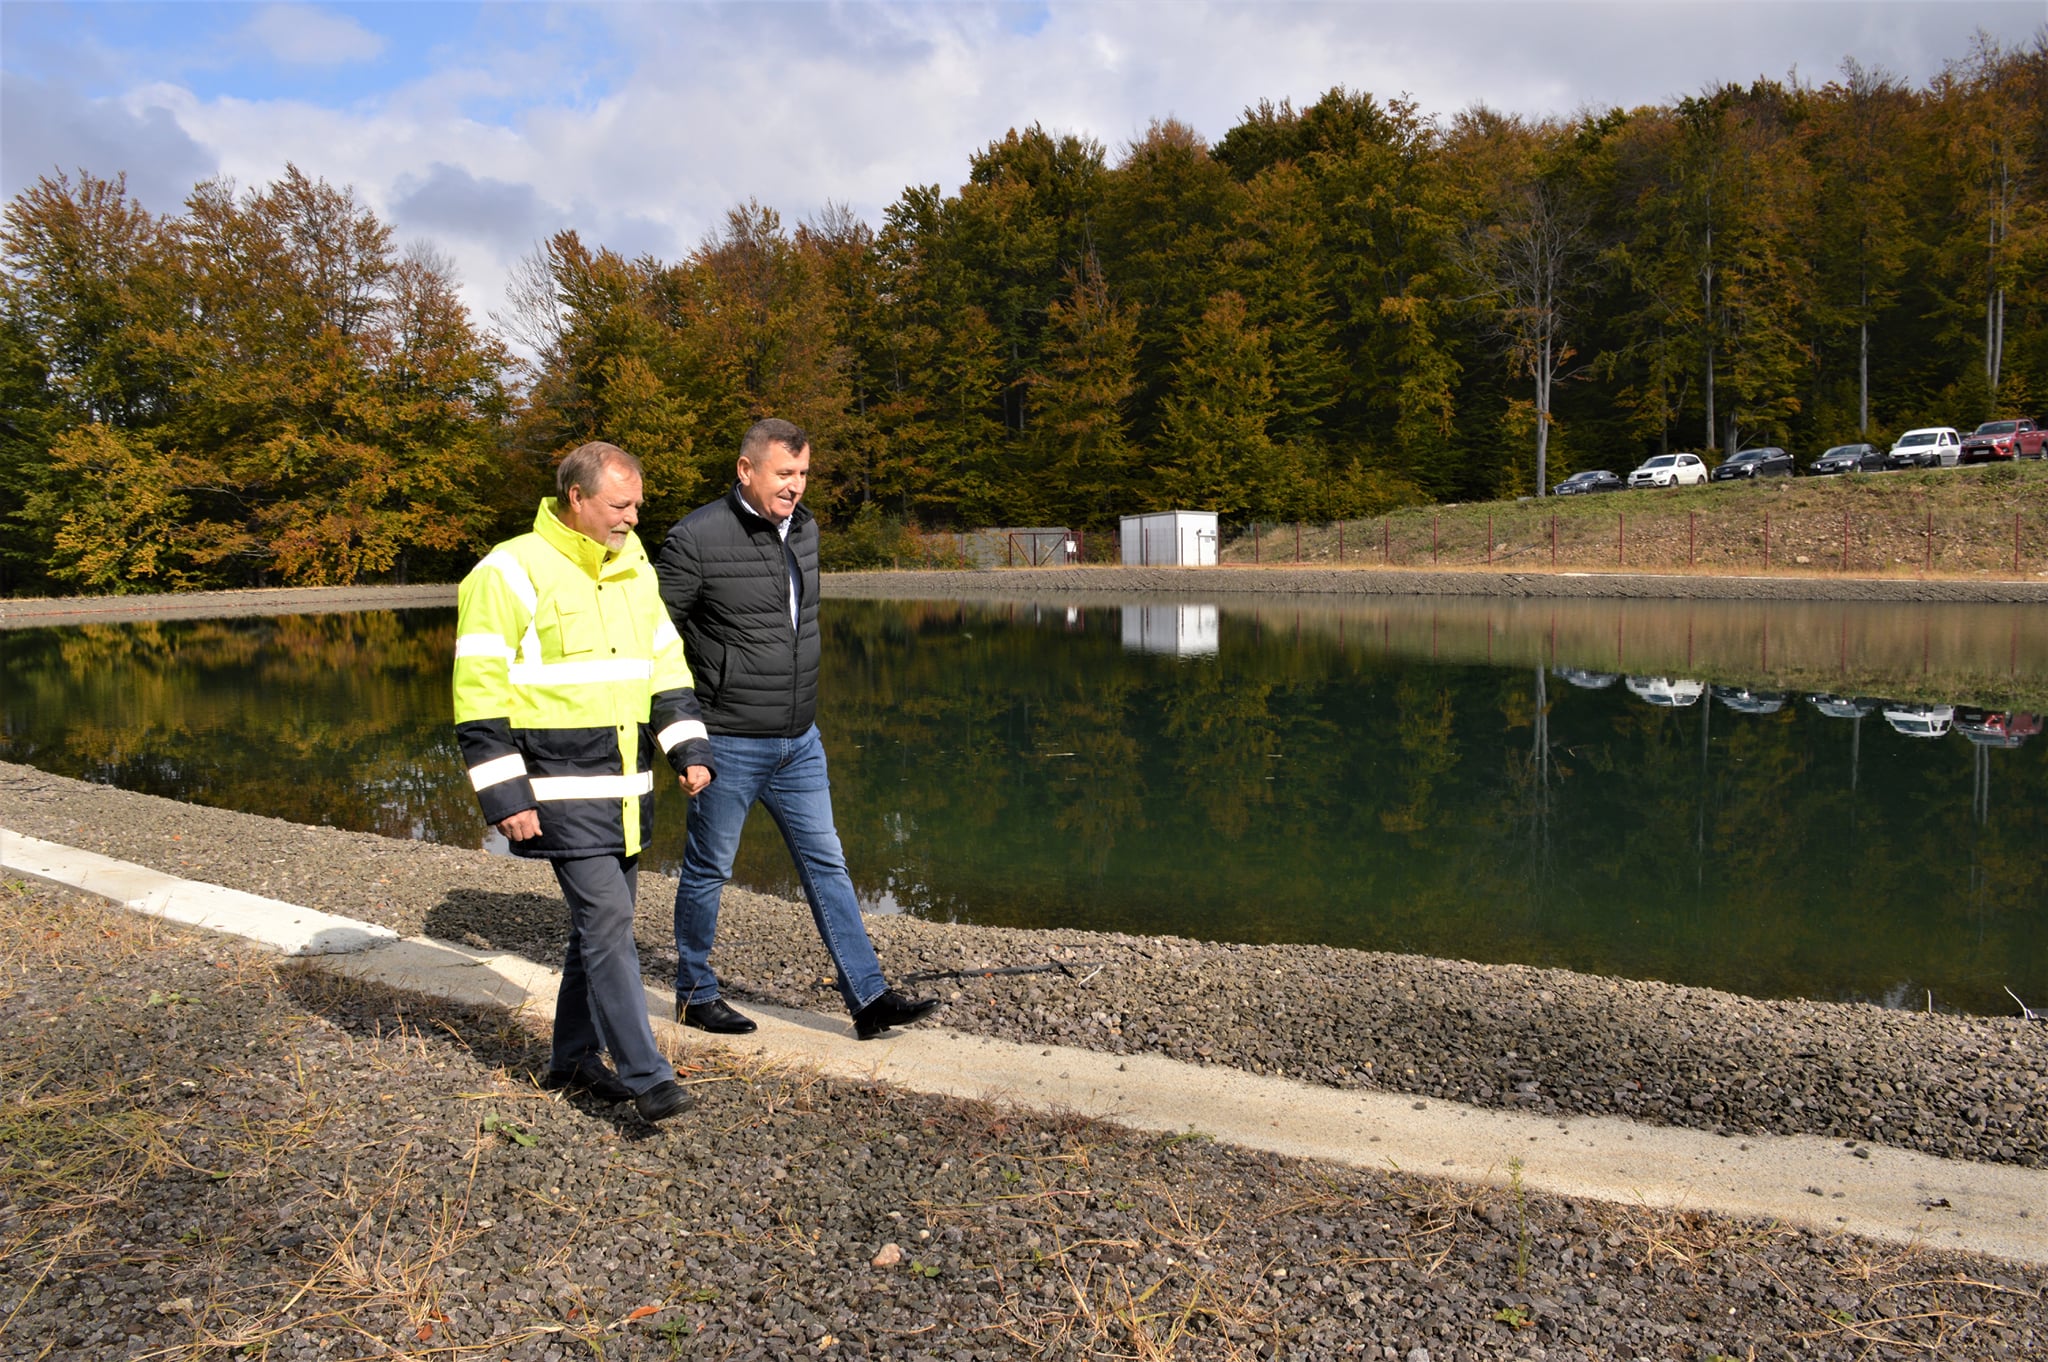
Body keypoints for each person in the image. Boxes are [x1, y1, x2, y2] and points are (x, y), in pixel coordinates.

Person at [452, 441, 712, 1123]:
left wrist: (687, 748)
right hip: (557, 789)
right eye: (619, 505)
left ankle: (570, 1060)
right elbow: (478, 692)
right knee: (608, 921)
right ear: (577, 499)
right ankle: (648, 1075)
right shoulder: (508, 571)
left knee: (592, 930)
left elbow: (666, 667)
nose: (632, 517)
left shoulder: (636, 568)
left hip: (625, 789)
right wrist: (505, 795)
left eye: (637, 506)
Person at [656, 418, 939, 1040]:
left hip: (799, 740)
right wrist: (682, 739)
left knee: (828, 864)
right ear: (745, 469)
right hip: (726, 739)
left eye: (803, 474)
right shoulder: (694, 538)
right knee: (709, 870)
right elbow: (651, 645)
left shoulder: (805, 529)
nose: (795, 487)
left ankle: (868, 999)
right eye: (784, 473)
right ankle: (695, 993)